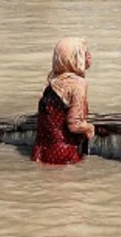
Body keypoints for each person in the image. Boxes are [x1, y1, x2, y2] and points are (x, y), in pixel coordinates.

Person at [33, 37, 95, 165]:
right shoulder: (77, 85)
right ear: (73, 58)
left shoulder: (51, 80)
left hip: (39, 153)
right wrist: (90, 128)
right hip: (64, 156)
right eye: (84, 53)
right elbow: (74, 124)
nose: (88, 57)